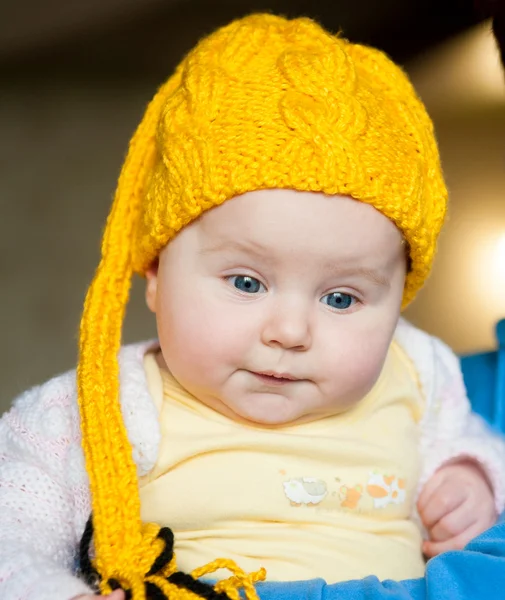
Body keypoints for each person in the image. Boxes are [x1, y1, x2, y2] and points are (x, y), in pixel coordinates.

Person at [1, 13, 504, 600]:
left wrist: (474, 479)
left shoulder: (419, 372)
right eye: (246, 283)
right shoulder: (103, 407)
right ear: (156, 272)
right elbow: (12, 524)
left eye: (341, 298)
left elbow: (478, 441)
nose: (290, 331)